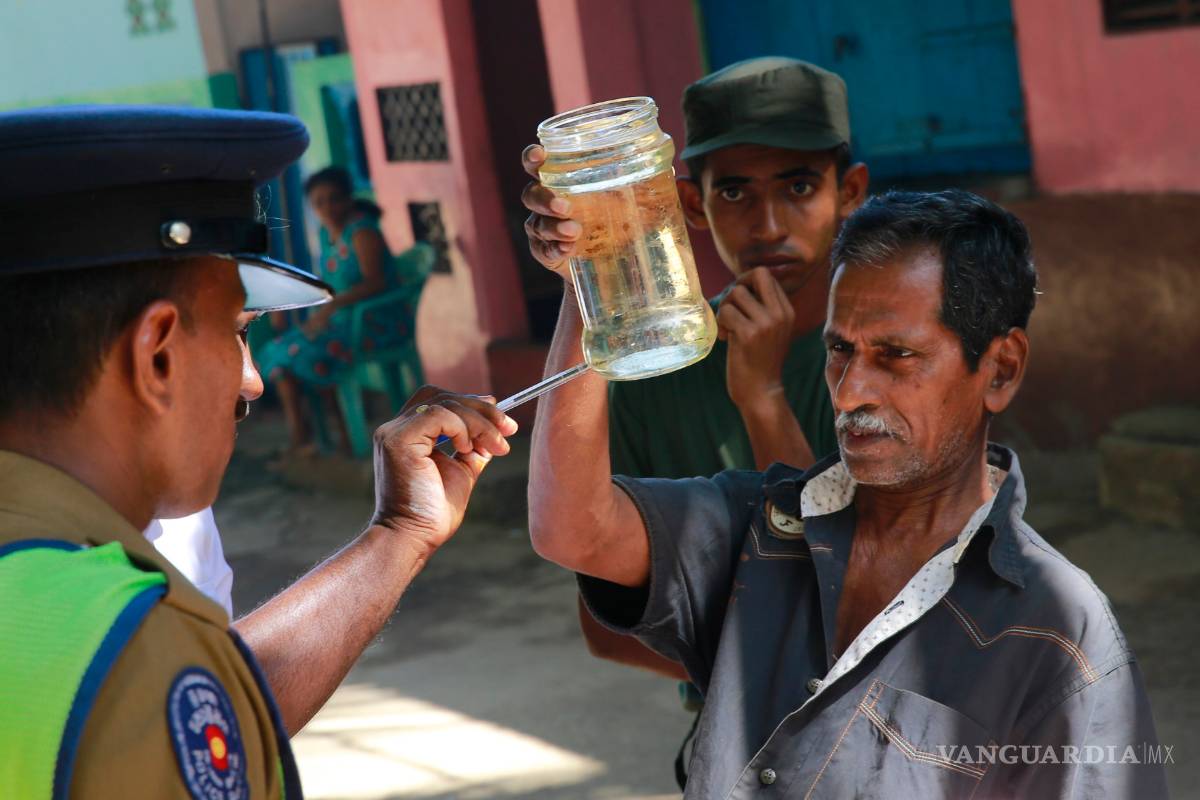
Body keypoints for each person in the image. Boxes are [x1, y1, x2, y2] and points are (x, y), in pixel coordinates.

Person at [527, 189, 1166, 797]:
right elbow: (570, 527)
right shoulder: (755, 526)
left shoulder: (1059, 634)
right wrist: (586, 288)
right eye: (840, 349)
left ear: (999, 369)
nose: (852, 389)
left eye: (895, 355)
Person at [0, 105, 515, 799]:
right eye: (236, 331)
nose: (253, 380)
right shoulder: (126, 639)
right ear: (156, 356)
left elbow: (213, 701)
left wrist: (401, 533)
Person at [522, 57, 869, 683]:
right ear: (691, 203)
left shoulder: (892, 356)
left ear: (850, 191)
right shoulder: (648, 362)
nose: (767, 226)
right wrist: (584, 268)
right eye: (735, 192)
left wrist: (763, 397)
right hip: (731, 745)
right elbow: (607, 629)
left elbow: (856, 598)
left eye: (798, 188)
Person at [257, 165, 433, 456]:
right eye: (319, 202)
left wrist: (333, 307)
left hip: (376, 323)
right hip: (344, 323)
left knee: (300, 353)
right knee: (279, 351)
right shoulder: (328, 236)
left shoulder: (362, 232)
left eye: (333, 199)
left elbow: (376, 282)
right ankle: (312, 436)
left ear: (348, 199)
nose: (327, 208)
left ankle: (329, 437)